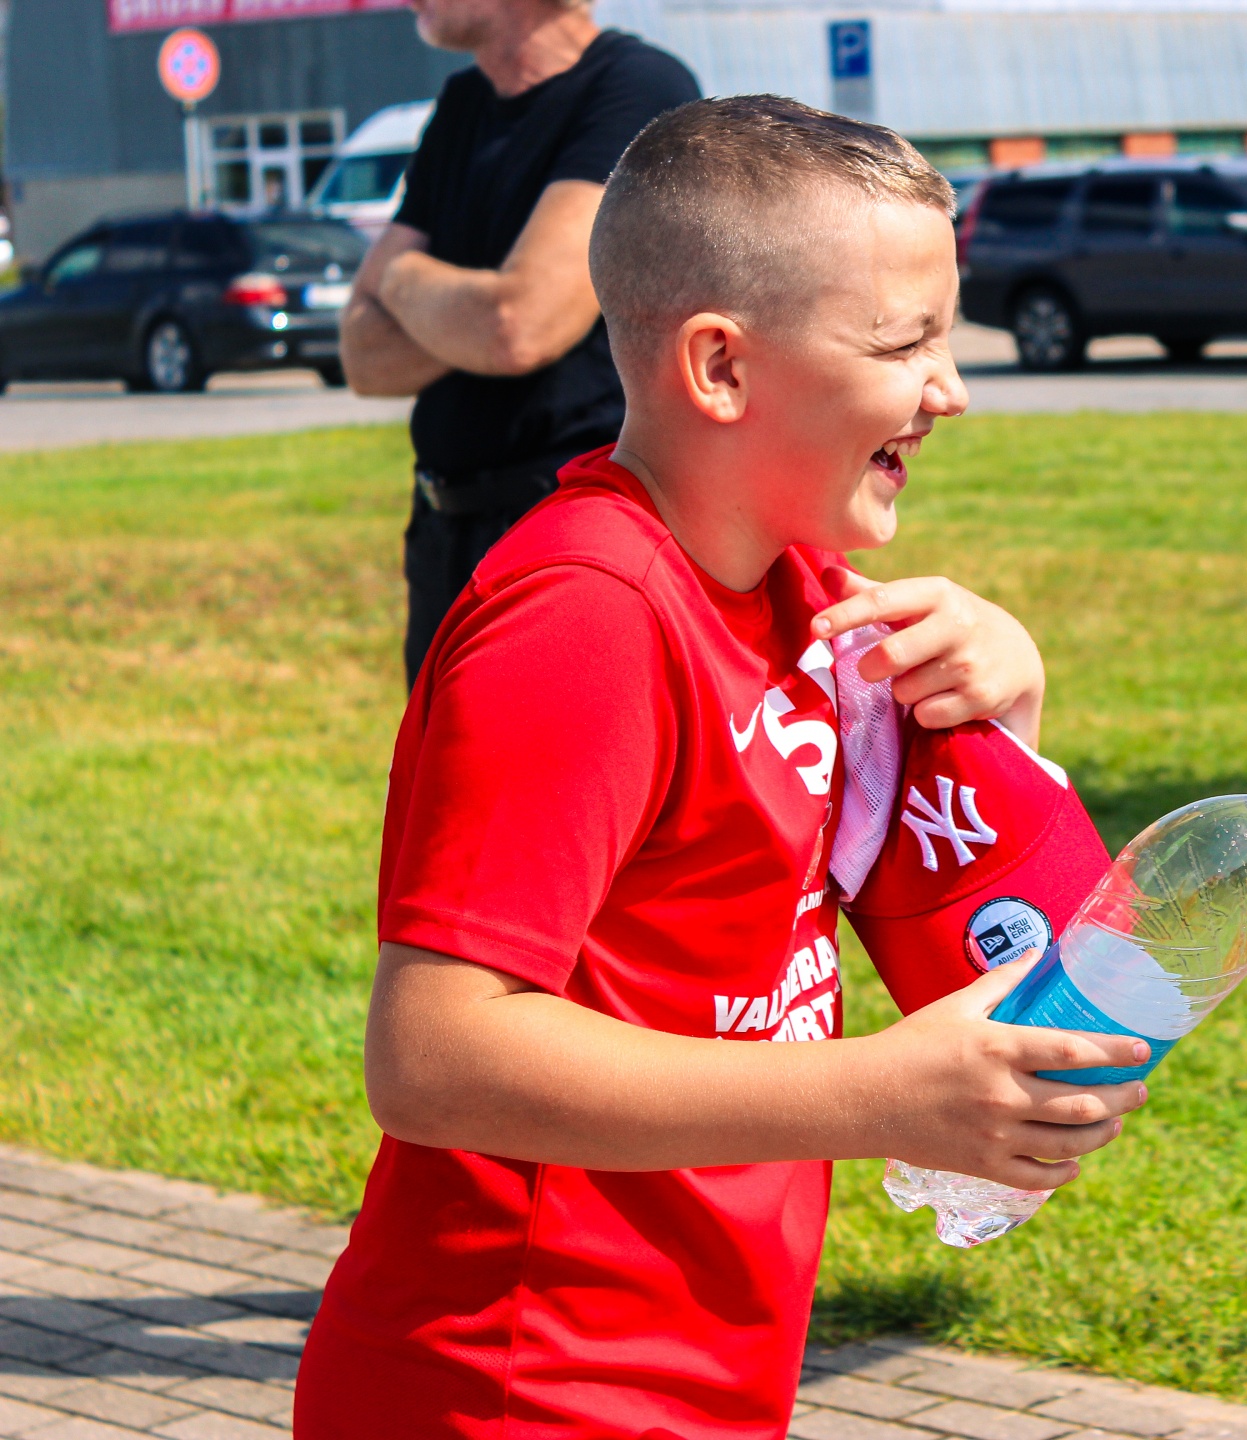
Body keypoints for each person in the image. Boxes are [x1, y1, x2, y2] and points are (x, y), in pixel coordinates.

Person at [292, 96, 1149, 1439]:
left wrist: (1008, 721)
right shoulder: (587, 615)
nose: (950, 388)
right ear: (722, 368)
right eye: (904, 341)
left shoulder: (808, 598)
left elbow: (981, 965)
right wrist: (877, 1095)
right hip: (517, 1389)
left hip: (699, 1377)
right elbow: (433, 1054)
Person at [339, 0, 700, 686]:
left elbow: (523, 327)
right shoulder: (464, 104)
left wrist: (404, 279)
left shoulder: (636, 88)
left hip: (568, 538)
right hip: (445, 537)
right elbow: (362, 353)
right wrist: (480, 311)